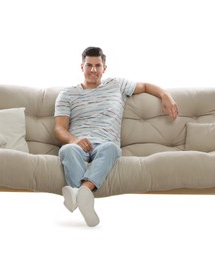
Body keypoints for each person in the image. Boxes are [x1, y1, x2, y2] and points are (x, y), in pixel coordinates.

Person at [54, 46, 178, 227]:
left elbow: (144, 86)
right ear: (82, 67)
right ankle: (84, 198)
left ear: (104, 68)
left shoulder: (116, 84)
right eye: (89, 65)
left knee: (112, 148)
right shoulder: (67, 94)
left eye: (98, 65)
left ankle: (80, 192)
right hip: (78, 144)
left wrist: (165, 95)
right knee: (67, 150)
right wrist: (74, 140)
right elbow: (59, 129)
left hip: (106, 144)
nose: (93, 70)